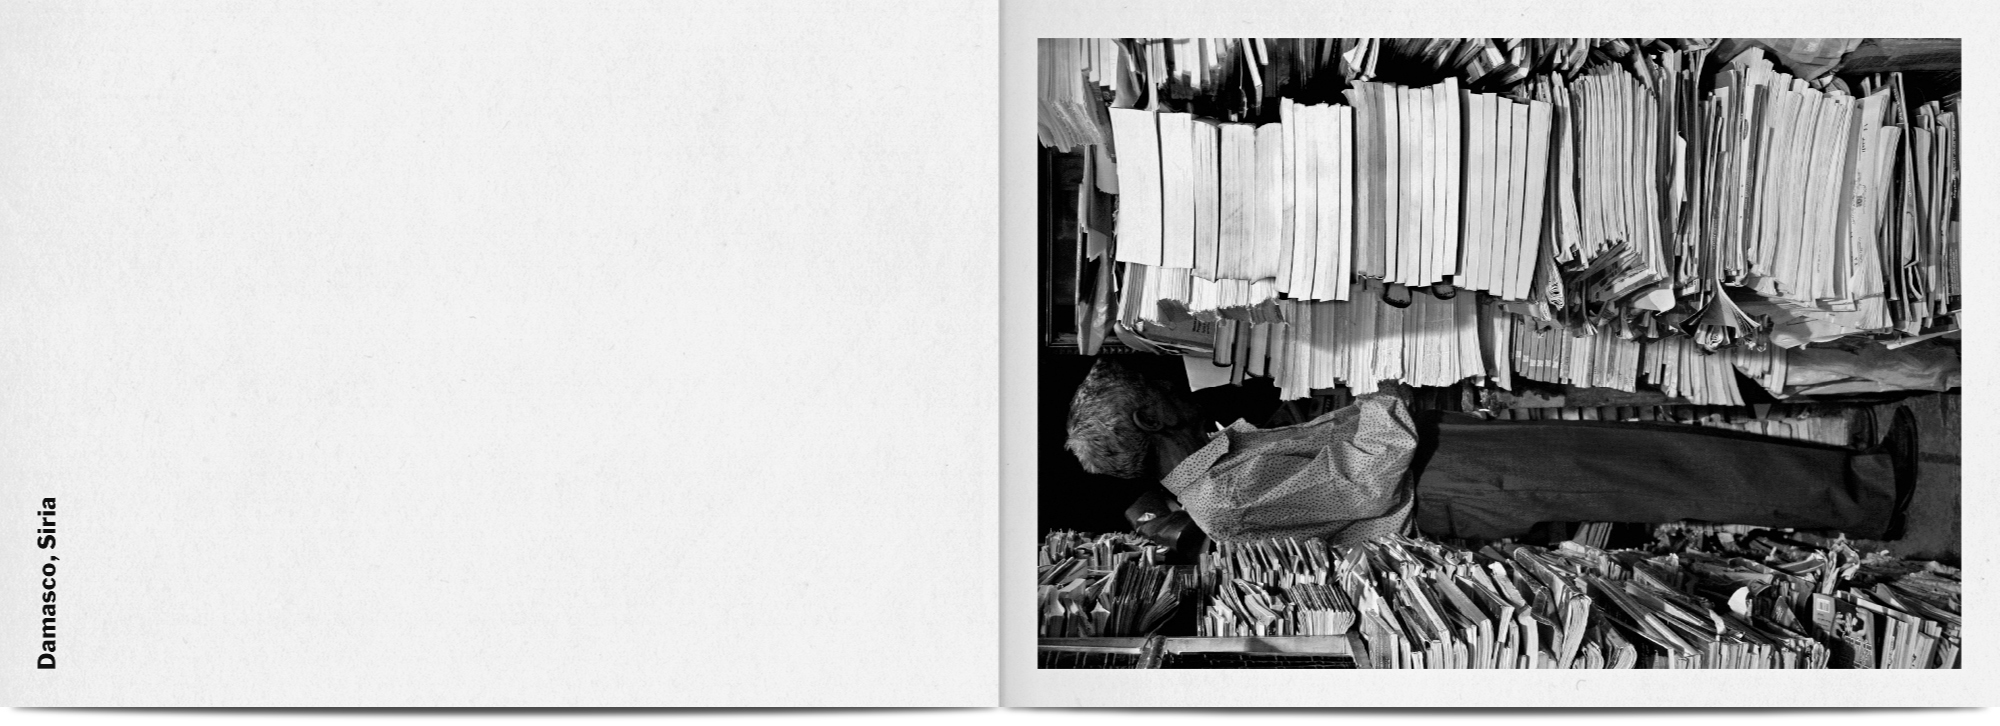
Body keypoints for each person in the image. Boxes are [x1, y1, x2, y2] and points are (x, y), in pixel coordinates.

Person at [1063, 356, 1919, 550]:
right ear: (1146, 420)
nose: (1172, 385)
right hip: (1444, 482)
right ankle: (1867, 496)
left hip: (1448, 462)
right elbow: (1360, 483)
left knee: (1658, 454)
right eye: (1155, 389)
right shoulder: (1218, 499)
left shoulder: (1218, 461)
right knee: (1664, 476)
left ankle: (1860, 482)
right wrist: (1382, 390)